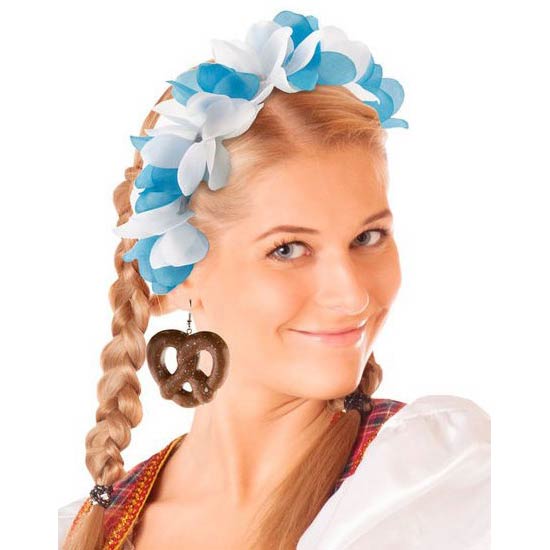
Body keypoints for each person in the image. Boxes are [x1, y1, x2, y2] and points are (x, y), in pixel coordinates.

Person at [58, 9, 490, 550]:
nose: (352, 295)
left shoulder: (438, 478)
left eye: (368, 237)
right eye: (287, 249)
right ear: (179, 278)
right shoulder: (87, 529)